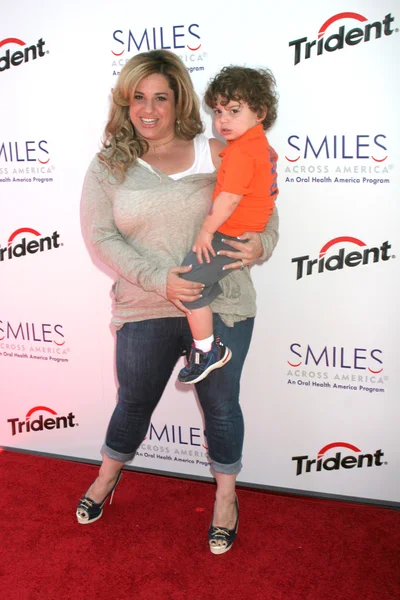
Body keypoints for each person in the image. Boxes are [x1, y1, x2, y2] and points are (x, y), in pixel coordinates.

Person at [77, 49, 279, 555]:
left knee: (221, 407)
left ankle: (226, 499)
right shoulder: (109, 166)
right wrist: (159, 279)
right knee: (134, 403)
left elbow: (263, 206)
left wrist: (263, 244)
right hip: (146, 304)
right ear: (125, 105)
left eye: (160, 98)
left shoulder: (219, 150)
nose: (148, 109)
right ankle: (106, 478)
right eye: (137, 98)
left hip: (223, 302)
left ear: (178, 100)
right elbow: (101, 237)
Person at [178, 66, 278, 385]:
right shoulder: (261, 147)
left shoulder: (240, 154)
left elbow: (229, 199)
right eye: (219, 111)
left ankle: (207, 350)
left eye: (234, 111)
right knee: (195, 284)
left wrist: (207, 231)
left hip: (228, 236)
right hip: (239, 232)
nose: (223, 120)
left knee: (186, 286)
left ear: (260, 112)